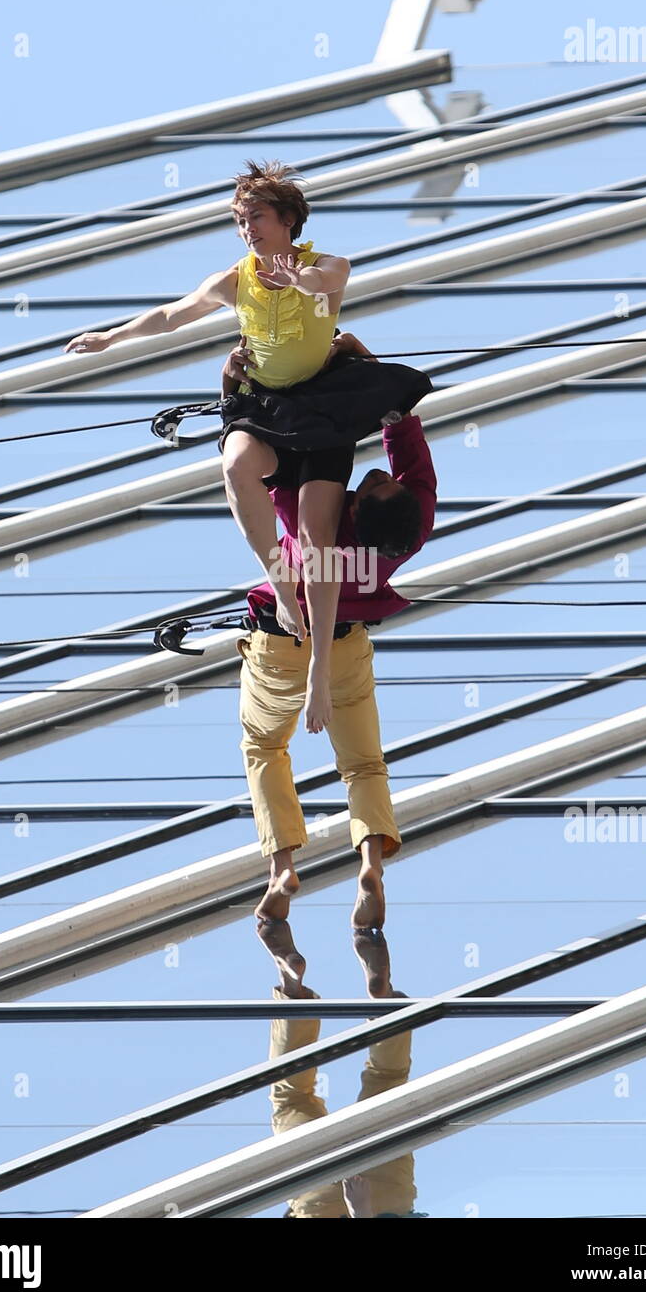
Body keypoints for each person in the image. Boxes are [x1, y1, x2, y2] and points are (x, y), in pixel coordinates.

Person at [64, 160, 431, 734]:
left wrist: (297, 280)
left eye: (256, 216)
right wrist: (110, 338)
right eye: (239, 219)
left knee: (318, 537)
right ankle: (285, 590)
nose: (247, 228)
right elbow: (171, 315)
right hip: (266, 409)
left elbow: (325, 284)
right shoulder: (235, 280)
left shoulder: (326, 265)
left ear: (287, 219)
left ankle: (318, 676)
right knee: (236, 466)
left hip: (323, 411)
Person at [224, 331, 437, 933]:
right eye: (380, 481)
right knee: (364, 765)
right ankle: (370, 861)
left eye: (370, 487)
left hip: (278, 641)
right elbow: (401, 431)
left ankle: (281, 866)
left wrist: (242, 388)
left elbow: (276, 473)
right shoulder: (405, 529)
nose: (373, 477)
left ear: (357, 509)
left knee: (265, 748)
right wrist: (367, 369)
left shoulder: (322, 514)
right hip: (345, 648)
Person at [260, 920, 421, 1219]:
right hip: (318, 1201)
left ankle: (384, 1004)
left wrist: (362, 1210)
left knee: (387, 1083)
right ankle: (292, 990)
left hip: (386, 1198)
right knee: (290, 1098)